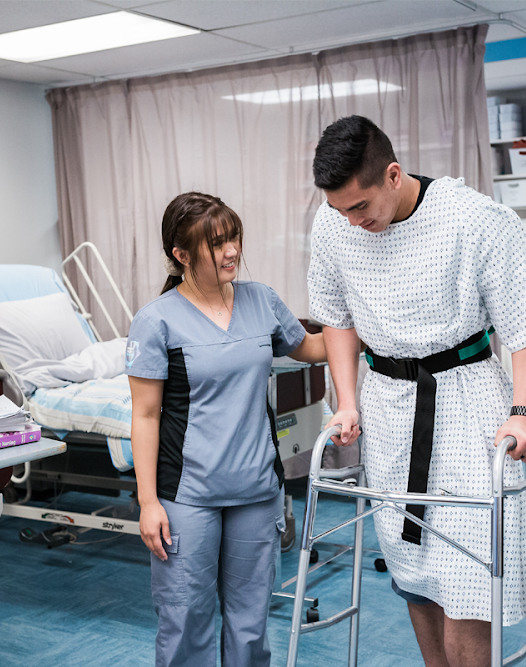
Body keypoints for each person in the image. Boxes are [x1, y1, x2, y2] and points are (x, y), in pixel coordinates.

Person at [307, 116, 526, 667]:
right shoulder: (333, 227)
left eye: (360, 207)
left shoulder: (476, 219)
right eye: (339, 210)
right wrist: (347, 400)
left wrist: (523, 411)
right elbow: (336, 319)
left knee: (468, 575)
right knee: (414, 569)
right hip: (389, 409)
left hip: (469, 407)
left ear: (393, 175)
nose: (351, 223)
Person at [127, 192, 328, 667]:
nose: (232, 250)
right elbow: (146, 415)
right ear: (181, 255)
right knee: (186, 623)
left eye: (234, 237)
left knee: (251, 623)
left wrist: (371, 325)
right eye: (216, 243)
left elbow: (312, 349)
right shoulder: (155, 322)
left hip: (256, 490)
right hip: (187, 495)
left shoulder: (262, 301)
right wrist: (148, 501)